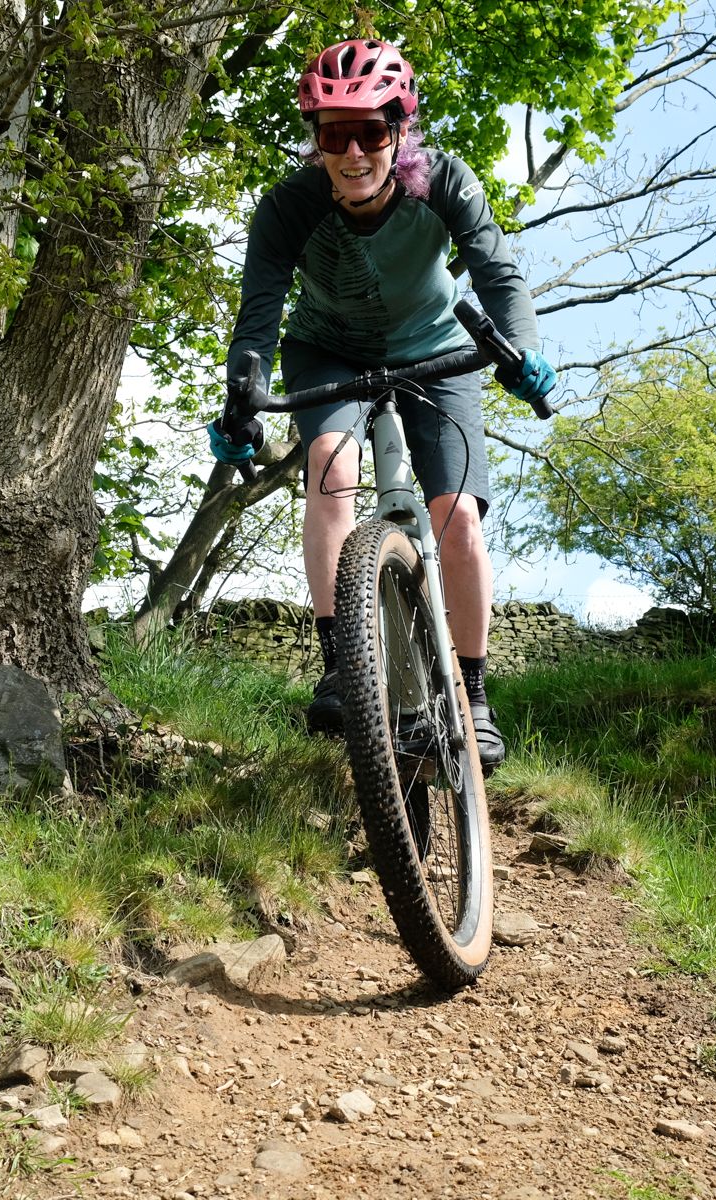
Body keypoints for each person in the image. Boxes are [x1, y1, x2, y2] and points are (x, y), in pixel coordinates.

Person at [209, 37, 555, 775]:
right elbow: (258, 319)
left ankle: (473, 696)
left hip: (436, 350)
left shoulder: (445, 182)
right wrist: (243, 403)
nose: (353, 152)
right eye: (335, 133)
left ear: (399, 129)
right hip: (328, 351)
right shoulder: (289, 207)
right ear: (317, 138)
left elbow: (498, 274)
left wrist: (522, 349)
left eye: (370, 131)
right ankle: (342, 664)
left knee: (456, 515)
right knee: (330, 467)